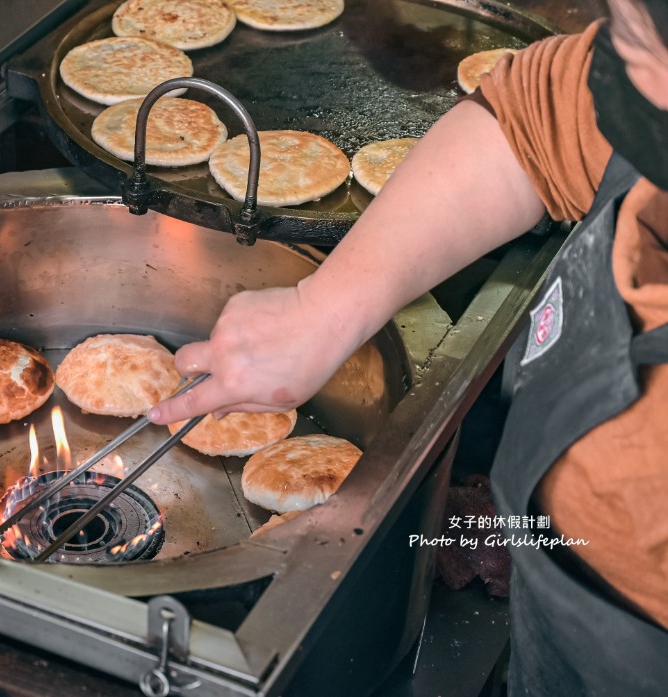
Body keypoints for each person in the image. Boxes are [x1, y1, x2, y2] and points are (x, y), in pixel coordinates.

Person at [147, 0, 668, 693]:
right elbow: (535, 119)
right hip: (554, 597)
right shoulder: (644, 90)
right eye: (625, 40)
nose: (626, 78)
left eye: (639, 53)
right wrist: (321, 308)